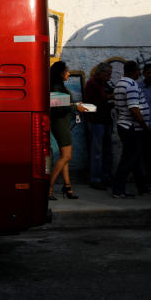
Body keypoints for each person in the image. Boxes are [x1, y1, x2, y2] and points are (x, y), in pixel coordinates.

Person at [48, 61, 90, 200]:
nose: (69, 73)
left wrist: (75, 105)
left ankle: (68, 187)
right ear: (60, 73)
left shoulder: (59, 86)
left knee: (63, 157)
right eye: (66, 71)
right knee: (67, 156)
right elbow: (58, 107)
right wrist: (75, 107)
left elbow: (63, 104)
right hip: (60, 124)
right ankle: (48, 188)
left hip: (63, 123)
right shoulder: (55, 87)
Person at [112, 61, 151, 198]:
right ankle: (118, 189)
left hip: (126, 125)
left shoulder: (120, 84)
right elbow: (134, 108)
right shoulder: (131, 85)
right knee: (128, 159)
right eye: (138, 71)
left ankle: (143, 187)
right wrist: (145, 126)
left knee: (135, 158)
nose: (139, 73)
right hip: (131, 127)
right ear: (133, 71)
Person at [83, 62, 115, 190]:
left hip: (106, 121)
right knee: (97, 152)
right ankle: (96, 179)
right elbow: (97, 101)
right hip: (96, 121)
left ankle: (106, 177)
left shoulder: (105, 84)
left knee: (108, 151)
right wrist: (110, 97)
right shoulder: (92, 84)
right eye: (107, 74)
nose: (109, 77)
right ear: (100, 72)